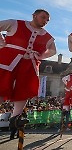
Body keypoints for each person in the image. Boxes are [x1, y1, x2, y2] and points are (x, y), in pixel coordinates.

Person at [0, 9, 56, 139]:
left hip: (29, 64)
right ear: (34, 15)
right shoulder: (14, 23)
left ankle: (15, 118)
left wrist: (41, 56)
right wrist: (1, 41)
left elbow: (53, 50)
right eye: (43, 18)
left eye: (47, 20)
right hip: (8, 59)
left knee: (24, 90)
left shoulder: (47, 36)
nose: (45, 21)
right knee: (2, 87)